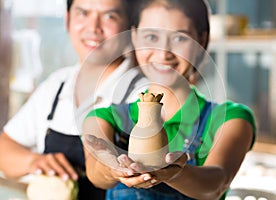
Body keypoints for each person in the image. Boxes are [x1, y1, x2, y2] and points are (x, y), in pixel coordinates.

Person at [82, 0, 257, 199]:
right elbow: (96, 173)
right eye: (151, 37)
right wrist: (113, 170)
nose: (164, 52)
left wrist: (176, 173)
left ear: (202, 40)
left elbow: (217, 182)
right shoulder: (105, 117)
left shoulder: (230, 118)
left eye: (180, 38)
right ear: (134, 37)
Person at [0, 0, 146, 199]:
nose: (93, 28)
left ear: (130, 26)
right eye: (83, 13)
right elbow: (4, 146)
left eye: (109, 16)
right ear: (67, 20)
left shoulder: (145, 95)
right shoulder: (57, 85)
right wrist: (33, 161)